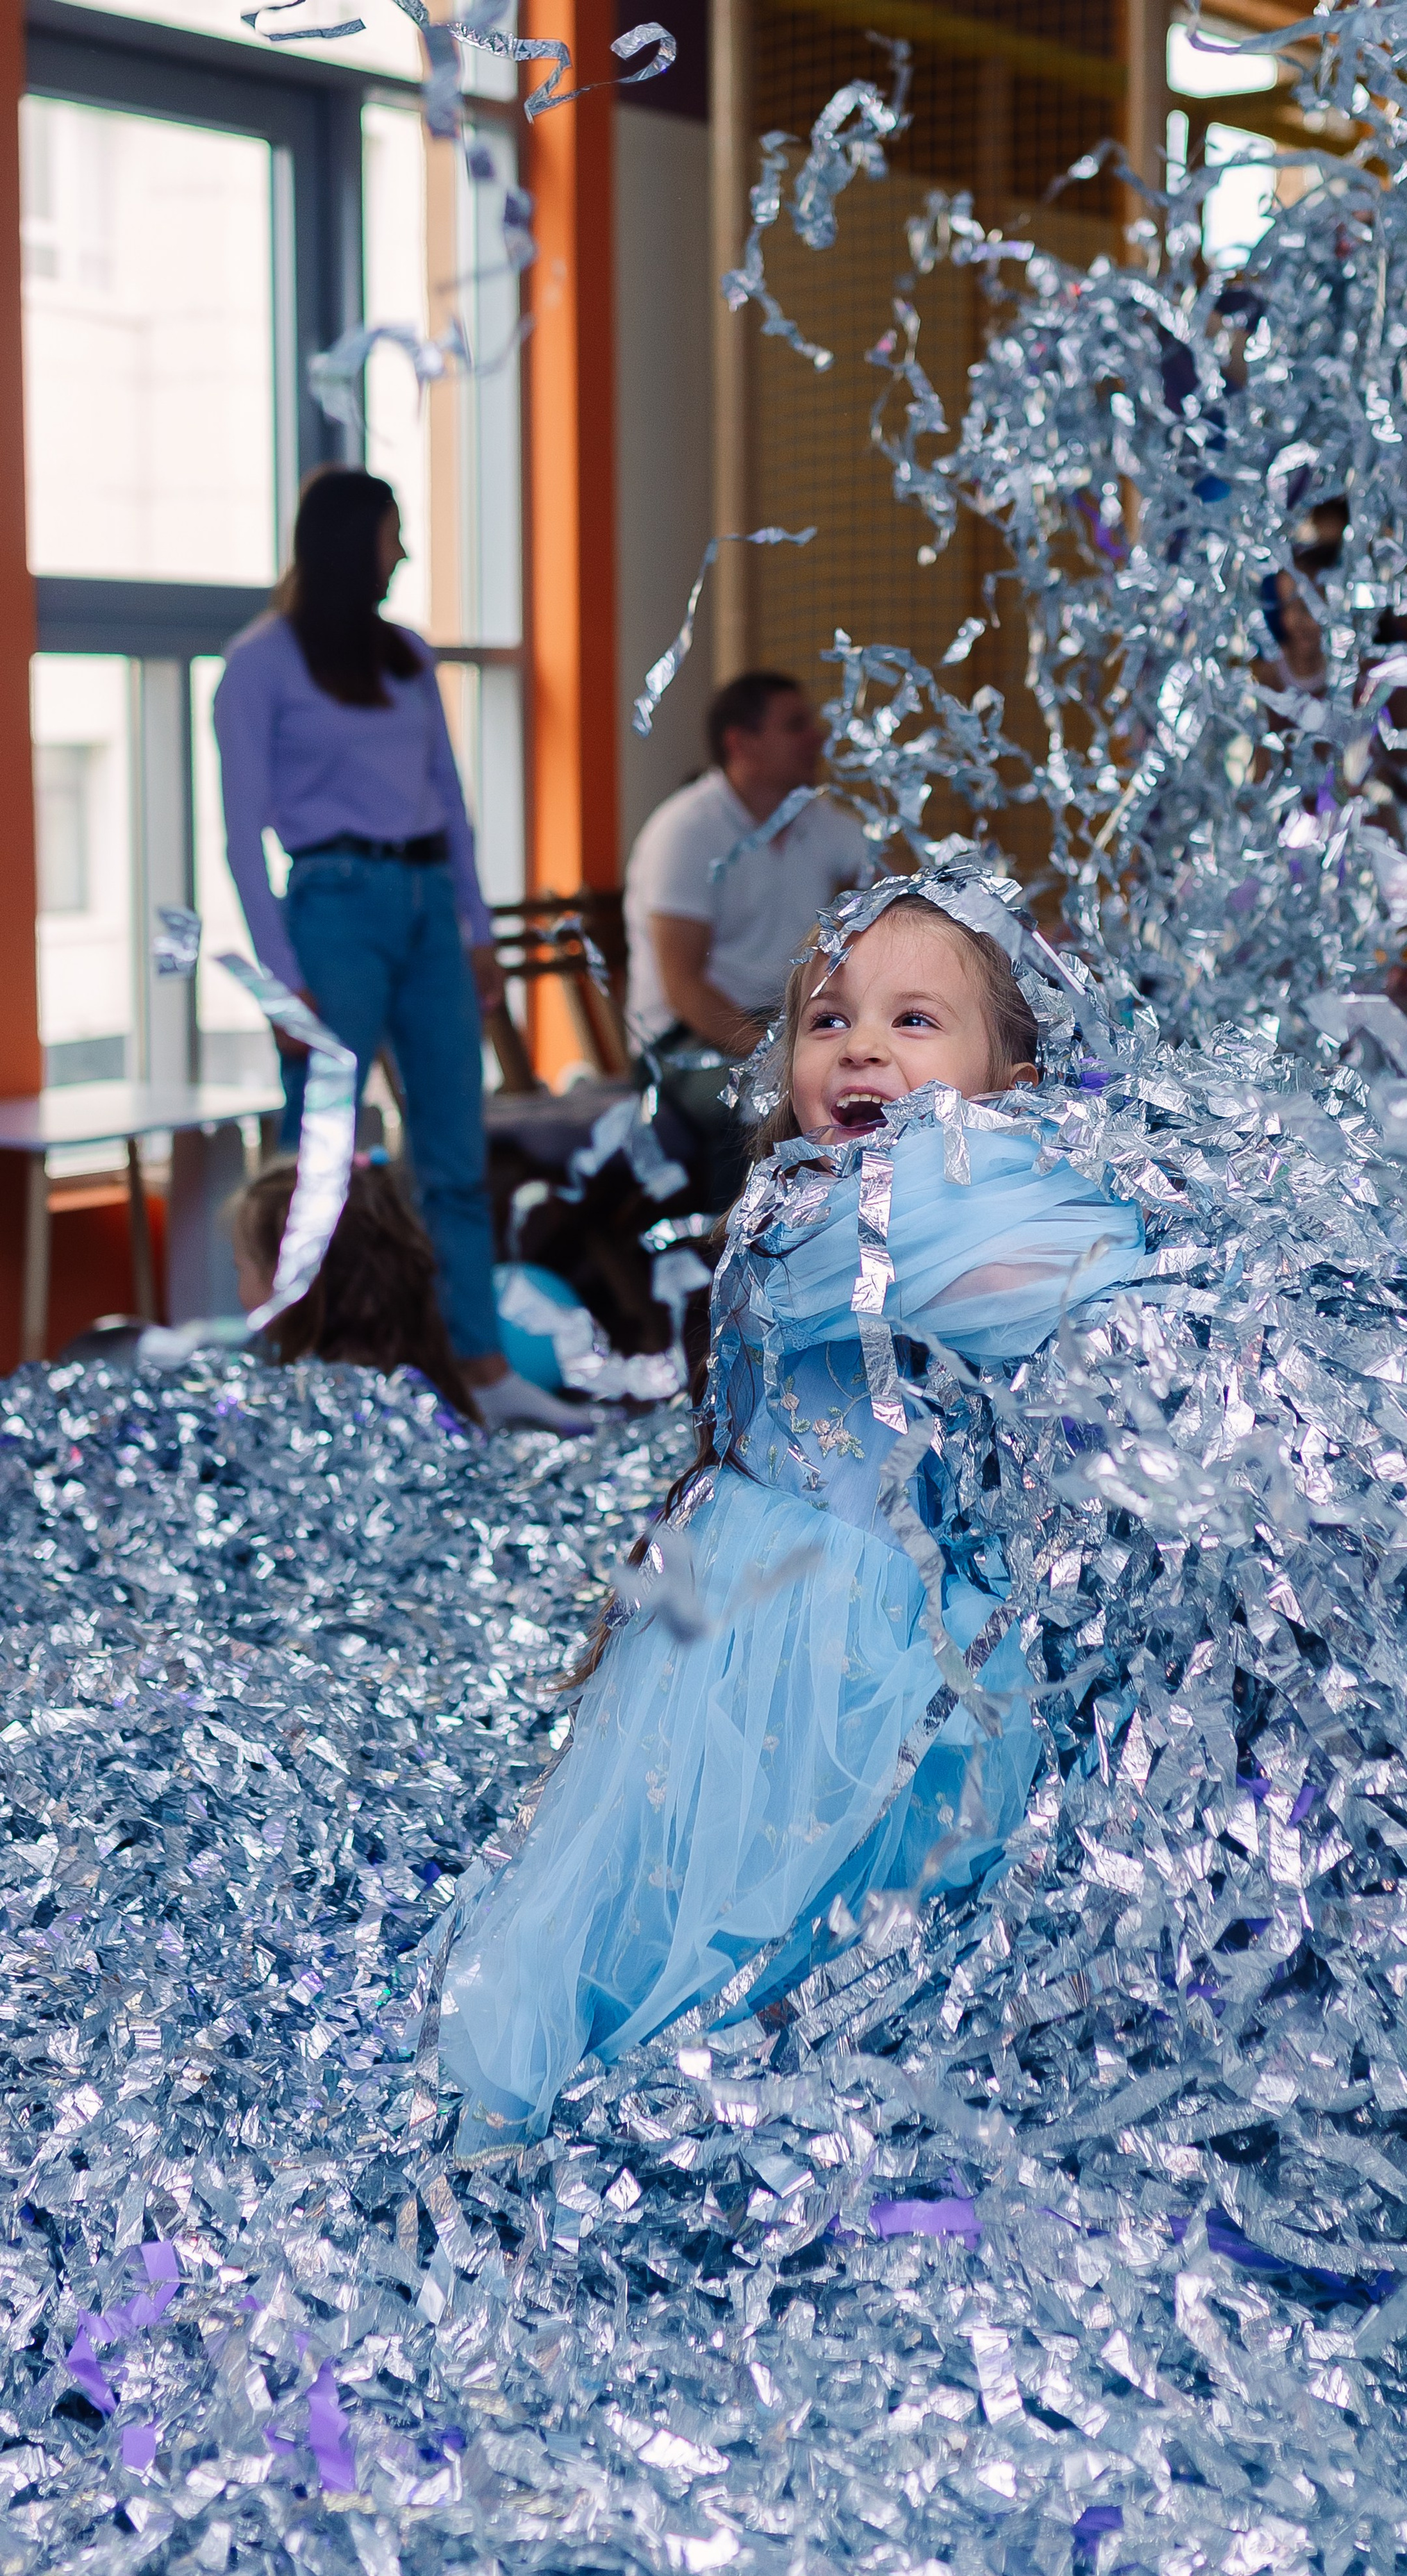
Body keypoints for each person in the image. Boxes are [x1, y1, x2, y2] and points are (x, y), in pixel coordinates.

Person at [435, 887, 1147, 2143]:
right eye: (829, 1019)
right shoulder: (824, 1212)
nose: (862, 1046)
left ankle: (807, 2064)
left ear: (1008, 1078)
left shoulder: (954, 1182)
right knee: (720, 1873)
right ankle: (703, 2074)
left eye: (913, 1019)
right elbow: (1036, 1273)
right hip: (784, 1619)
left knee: (845, 1896)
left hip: (910, 1611)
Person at [212, 464, 592, 1435]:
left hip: (428, 904)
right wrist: (277, 982)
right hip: (332, 908)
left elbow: (453, 810)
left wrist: (476, 932)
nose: (404, 553)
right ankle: (321, 1370)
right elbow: (239, 837)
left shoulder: (408, 657)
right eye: (391, 535)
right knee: (323, 1159)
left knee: (454, 1158)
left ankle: (480, 1367)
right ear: (350, 543)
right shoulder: (260, 664)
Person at [622, 671, 874, 1204]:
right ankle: (728, 1273)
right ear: (741, 743)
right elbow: (683, 987)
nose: (818, 737)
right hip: (683, 1043)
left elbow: (899, 895)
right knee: (758, 1105)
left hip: (783, 1029)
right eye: (796, 725)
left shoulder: (818, 819)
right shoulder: (687, 831)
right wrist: (774, 1056)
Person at [230, 1152, 481, 1427]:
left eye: (240, 1269)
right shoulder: (438, 1401)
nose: (241, 1295)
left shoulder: (303, 1419)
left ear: (291, 1283)